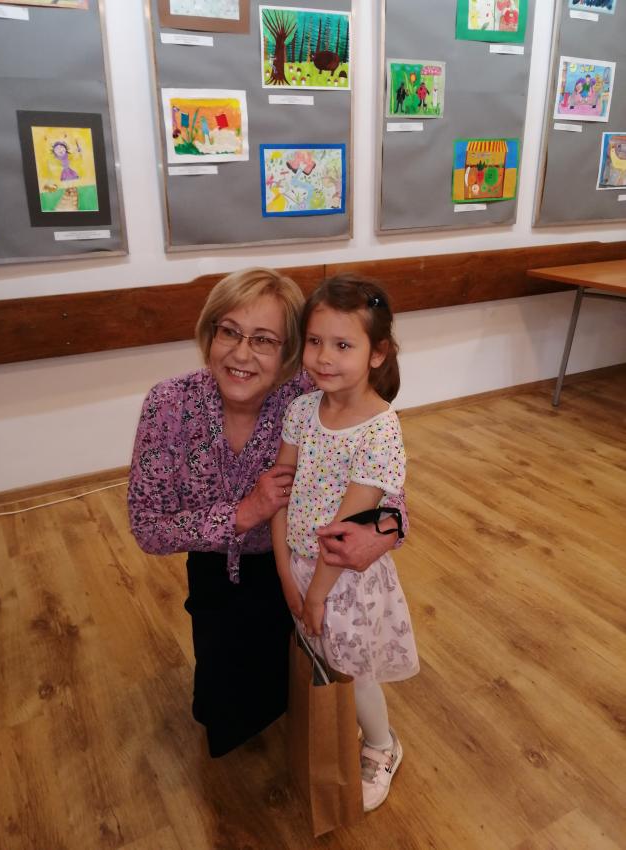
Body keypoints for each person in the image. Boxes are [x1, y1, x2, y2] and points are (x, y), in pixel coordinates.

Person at [127, 268, 408, 758]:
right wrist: (241, 514)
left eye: (263, 340)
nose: (241, 354)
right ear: (209, 334)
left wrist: (384, 533)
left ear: (288, 351)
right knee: (221, 717)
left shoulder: (306, 395)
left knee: (313, 691)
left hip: (306, 569)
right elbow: (147, 527)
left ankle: (373, 742)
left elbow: (387, 490)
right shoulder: (169, 404)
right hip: (220, 570)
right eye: (229, 332)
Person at [271, 275, 419, 812]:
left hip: (344, 581)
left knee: (353, 673)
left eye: (342, 344)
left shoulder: (379, 430)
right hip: (301, 570)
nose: (323, 357)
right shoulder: (301, 410)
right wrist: (286, 572)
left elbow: (346, 528)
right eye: (315, 341)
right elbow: (279, 494)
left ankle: (381, 745)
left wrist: (316, 593)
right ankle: (348, 729)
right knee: (325, 661)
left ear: (377, 353)